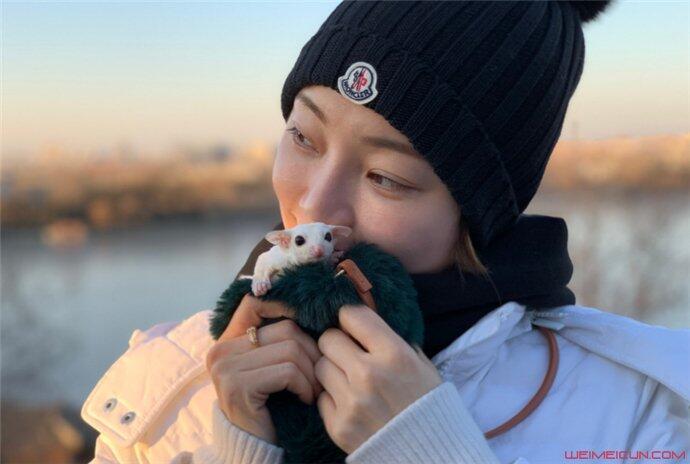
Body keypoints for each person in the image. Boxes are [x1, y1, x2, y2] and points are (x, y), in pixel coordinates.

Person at [81, 1, 690, 463]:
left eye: (385, 176)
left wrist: (429, 448)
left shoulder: (642, 416)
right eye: (302, 137)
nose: (315, 204)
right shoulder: (169, 377)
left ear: (477, 214)